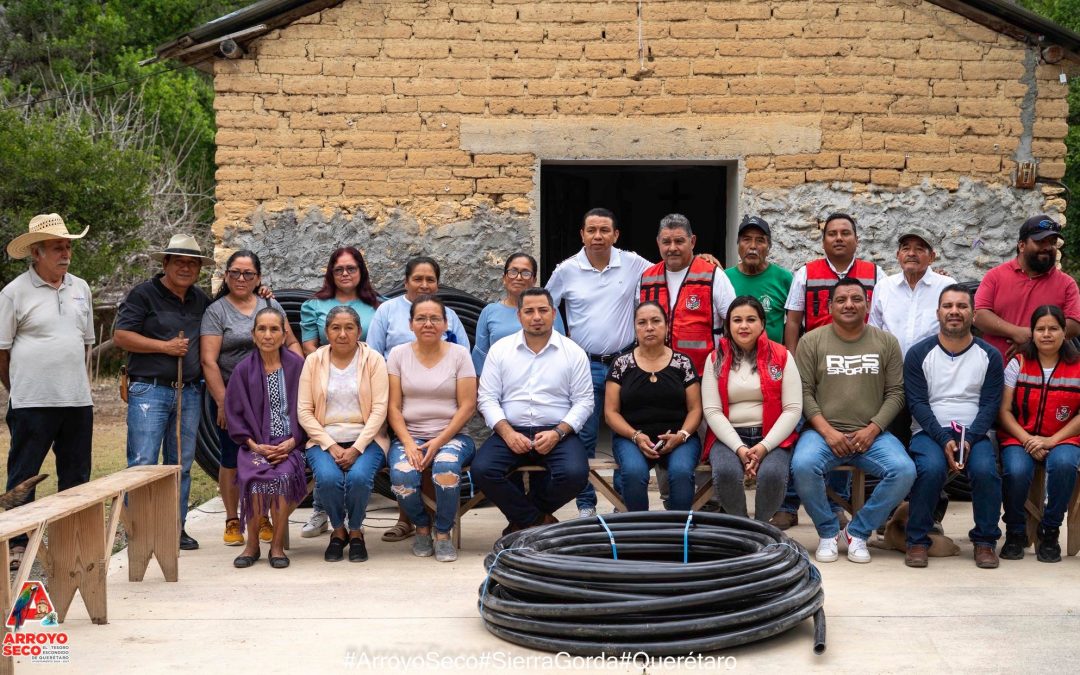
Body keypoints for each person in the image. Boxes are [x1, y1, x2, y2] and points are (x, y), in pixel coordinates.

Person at [791, 277, 915, 564]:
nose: (849, 304)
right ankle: (827, 531)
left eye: (856, 299)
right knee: (802, 466)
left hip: (872, 435)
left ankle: (857, 532)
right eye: (842, 299)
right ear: (830, 306)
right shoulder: (812, 341)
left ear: (867, 305)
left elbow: (896, 392)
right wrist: (828, 431)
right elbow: (804, 392)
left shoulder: (886, 342)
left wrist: (873, 429)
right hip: (822, 433)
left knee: (904, 470)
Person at [774, 213, 884, 529]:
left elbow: (879, 319)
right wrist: (793, 365)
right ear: (823, 241)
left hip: (853, 366)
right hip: (815, 365)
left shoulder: (875, 273)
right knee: (797, 431)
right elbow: (793, 321)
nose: (838, 238)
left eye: (845, 233)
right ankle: (789, 502)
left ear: (856, 239)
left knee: (845, 428)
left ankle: (837, 503)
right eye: (832, 233)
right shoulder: (806, 273)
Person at [0, 214, 94, 571]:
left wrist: (74, 383)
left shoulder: (80, 287)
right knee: (24, 474)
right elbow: (2, 349)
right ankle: (18, 543)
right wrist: (20, 389)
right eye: (57, 247)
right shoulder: (13, 293)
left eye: (68, 246)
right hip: (31, 402)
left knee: (76, 475)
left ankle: (71, 537)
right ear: (36, 252)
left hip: (76, 401)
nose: (65, 252)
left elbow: (85, 343)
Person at [546, 208, 651, 518]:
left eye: (604, 230)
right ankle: (586, 503)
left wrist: (707, 260)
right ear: (582, 234)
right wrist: (560, 347)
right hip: (585, 365)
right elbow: (545, 307)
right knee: (585, 436)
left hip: (627, 364)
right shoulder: (566, 270)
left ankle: (621, 502)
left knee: (626, 434)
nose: (597, 236)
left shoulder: (632, 263)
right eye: (591, 230)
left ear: (615, 235)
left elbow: (669, 270)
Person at [114, 234, 215, 551]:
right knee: (144, 462)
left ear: (199, 269)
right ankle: (139, 533)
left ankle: (175, 528)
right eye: (180, 261)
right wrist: (165, 347)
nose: (186, 268)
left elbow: (230, 308)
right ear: (166, 264)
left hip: (189, 393)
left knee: (181, 465)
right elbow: (121, 336)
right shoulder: (143, 295)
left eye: (192, 263)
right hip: (150, 391)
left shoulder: (201, 300)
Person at [201, 250, 301, 548]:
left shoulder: (271, 304)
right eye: (235, 272)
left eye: (248, 274)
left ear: (258, 278)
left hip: (272, 393)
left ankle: (262, 518)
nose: (241, 278)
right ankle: (234, 519)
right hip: (234, 396)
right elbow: (209, 361)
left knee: (270, 455)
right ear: (226, 275)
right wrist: (223, 403)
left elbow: (292, 341)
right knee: (232, 457)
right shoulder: (216, 311)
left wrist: (297, 377)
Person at [365, 255, 469, 543]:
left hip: (440, 403)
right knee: (406, 461)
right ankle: (407, 520)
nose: (424, 284)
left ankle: (437, 523)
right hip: (396, 398)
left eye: (430, 279)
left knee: (436, 460)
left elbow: (461, 353)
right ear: (406, 281)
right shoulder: (387, 311)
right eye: (418, 278)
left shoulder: (450, 316)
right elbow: (373, 356)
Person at [473, 289, 593, 533]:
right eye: (529, 311)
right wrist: (507, 433)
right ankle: (538, 521)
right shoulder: (501, 350)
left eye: (543, 310)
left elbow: (584, 401)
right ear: (519, 316)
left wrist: (557, 433)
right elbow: (486, 398)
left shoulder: (573, 353)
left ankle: (522, 522)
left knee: (575, 474)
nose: (536, 316)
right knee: (482, 470)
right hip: (511, 430)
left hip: (557, 432)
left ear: (553, 314)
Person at [903, 285, 1003, 569]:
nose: (954, 312)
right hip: (929, 431)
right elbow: (918, 403)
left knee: (985, 471)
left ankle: (985, 541)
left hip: (976, 433)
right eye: (948, 306)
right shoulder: (918, 353)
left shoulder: (990, 355)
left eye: (962, 306)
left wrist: (969, 438)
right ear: (938, 313)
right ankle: (918, 540)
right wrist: (944, 437)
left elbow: (990, 404)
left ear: (973, 313)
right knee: (930, 469)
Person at [299, 246, 381, 539]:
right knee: (328, 471)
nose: (345, 274)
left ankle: (353, 526)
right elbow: (309, 345)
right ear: (330, 273)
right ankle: (323, 512)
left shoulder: (377, 305)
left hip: (369, 381)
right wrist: (325, 363)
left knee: (358, 473)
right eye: (339, 269)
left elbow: (380, 345)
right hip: (327, 379)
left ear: (361, 272)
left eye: (351, 268)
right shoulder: (314, 305)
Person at [387, 295, 477, 562]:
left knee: (445, 469)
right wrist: (408, 443)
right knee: (402, 473)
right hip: (410, 436)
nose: (428, 324)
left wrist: (438, 442)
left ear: (445, 323)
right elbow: (393, 407)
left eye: (435, 318)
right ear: (411, 324)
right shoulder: (398, 355)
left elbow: (467, 406)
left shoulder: (459, 355)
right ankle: (422, 526)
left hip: (453, 436)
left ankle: (443, 532)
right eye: (421, 318)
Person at [297, 306, 389, 563]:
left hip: (367, 438)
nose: (342, 334)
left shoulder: (373, 360)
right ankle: (338, 532)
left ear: (359, 331)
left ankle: (357, 532)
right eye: (335, 328)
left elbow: (380, 409)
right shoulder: (314, 360)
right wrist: (331, 445)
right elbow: (304, 411)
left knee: (359, 478)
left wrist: (357, 448)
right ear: (326, 332)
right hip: (324, 438)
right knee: (327, 479)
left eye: (349, 327)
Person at [225, 307, 308, 569]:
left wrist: (293, 440)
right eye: (262, 329)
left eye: (274, 329)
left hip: (292, 443)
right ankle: (252, 545)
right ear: (253, 334)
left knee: (281, 477)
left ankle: (276, 547)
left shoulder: (298, 367)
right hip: (254, 445)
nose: (268, 335)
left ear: (284, 335)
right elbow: (234, 415)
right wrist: (254, 445)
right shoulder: (242, 370)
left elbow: (310, 409)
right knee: (255, 477)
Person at [705, 297, 801, 520]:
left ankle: (761, 525)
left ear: (763, 323)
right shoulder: (715, 358)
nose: (744, 326)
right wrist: (740, 448)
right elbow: (712, 411)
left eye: (751, 319)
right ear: (728, 325)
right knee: (726, 472)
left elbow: (793, 409)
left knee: (773, 474)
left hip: (771, 435)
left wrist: (764, 447)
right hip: (729, 437)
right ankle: (741, 525)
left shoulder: (782, 356)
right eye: (737, 320)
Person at [997, 305, 1080, 563]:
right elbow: (1004, 411)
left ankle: (1050, 531)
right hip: (1019, 436)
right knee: (1016, 470)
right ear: (1031, 333)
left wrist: (1052, 441)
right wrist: (1027, 439)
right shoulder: (1017, 363)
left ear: (1064, 332)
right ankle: (1015, 531)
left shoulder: (1077, 366)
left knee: (1065, 464)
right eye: (1040, 329)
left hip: (1063, 437)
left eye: (1053, 328)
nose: (1047, 334)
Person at [604, 302, 702, 512]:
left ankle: (678, 533)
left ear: (666, 327)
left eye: (655, 321)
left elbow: (695, 409)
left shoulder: (682, 363)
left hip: (679, 437)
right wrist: (636, 435)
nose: (649, 327)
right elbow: (611, 413)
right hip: (631, 437)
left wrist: (682, 435)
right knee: (633, 472)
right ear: (635, 328)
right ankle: (641, 533)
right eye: (642, 322)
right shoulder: (621, 364)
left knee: (682, 471)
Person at [638, 213, 736, 374]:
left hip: (704, 374)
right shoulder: (646, 278)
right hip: (656, 373)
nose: (672, 248)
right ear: (658, 243)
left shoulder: (713, 275)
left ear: (692, 242)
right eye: (666, 242)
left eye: (679, 241)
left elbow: (734, 321)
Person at [975, 215, 1080, 360]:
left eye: (1052, 242)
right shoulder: (995, 276)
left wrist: (1032, 340)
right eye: (1040, 242)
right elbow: (980, 316)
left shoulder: (1067, 284)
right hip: (997, 371)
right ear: (1022, 245)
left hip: (1047, 374)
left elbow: (1074, 326)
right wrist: (1017, 332)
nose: (1048, 247)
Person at [870, 227, 957, 358]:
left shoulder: (946, 286)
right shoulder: (884, 287)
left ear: (932, 257)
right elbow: (874, 330)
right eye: (906, 248)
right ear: (898, 255)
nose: (911, 253)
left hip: (932, 370)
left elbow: (955, 330)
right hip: (891, 369)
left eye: (919, 249)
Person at [472, 252, 564, 375]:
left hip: (544, 380)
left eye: (526, 273)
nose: (519, 277)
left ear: (534, 280)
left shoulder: (550, 311)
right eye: (513, 272)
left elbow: (561, 351)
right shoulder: (490, 312)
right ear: (504, 278)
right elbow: (481, 357)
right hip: (501, 382)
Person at [724, 216, 792, 344]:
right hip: (734, 359)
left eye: (760, 240)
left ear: (769, 246)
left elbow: (794, 322)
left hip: (772, 359)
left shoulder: (783, 278)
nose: (753, 246)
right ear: (738, 244)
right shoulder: (724, 278)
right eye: (746, 239)